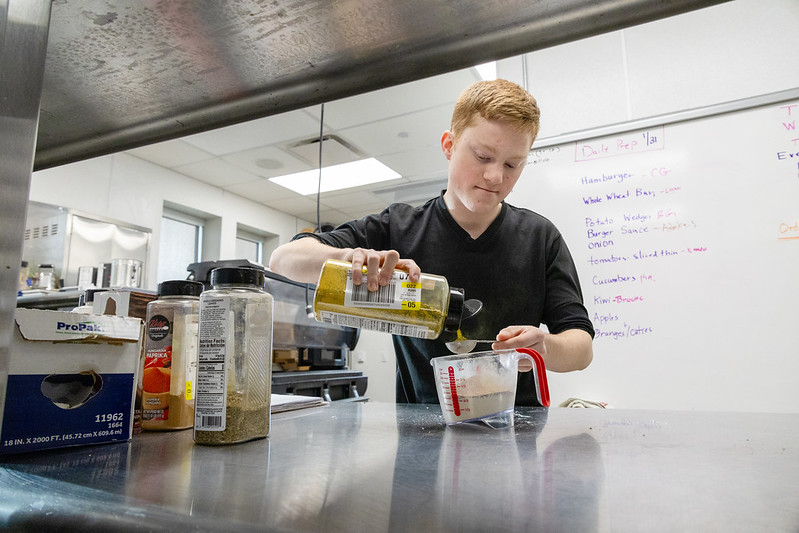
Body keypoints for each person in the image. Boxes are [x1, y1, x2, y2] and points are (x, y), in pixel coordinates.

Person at [269, 79, 594, 405]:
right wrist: (348, 256)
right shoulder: (399, 227)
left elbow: (581, 346)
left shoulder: (540, 237)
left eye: (512, 164)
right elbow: (283, 259)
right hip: (421, 438)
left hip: (517, 434)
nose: (495, 176)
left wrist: (546, 348)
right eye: (483, 156)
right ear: (449, 145)